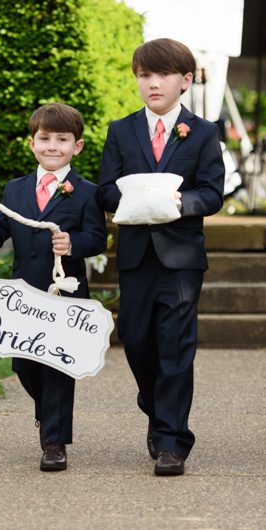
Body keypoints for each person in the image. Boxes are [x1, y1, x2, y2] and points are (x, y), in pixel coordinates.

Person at [97, 38, 224, 476]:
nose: (153, 83)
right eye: (144, 75)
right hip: (135, 255)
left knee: (175, 347)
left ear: (185, 81)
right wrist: (134, 196)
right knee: (135, 340)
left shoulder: (204, 132)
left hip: (182, 258)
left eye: (163, 75)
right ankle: (153, 402)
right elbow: (106, 188)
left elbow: (212, 193)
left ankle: (172, 439)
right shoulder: (121, 130)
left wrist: (175, 202)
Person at [0, 102, 107, 472]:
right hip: (23, 295)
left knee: (58, 366)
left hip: (64, 294)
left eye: (62, 140)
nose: (52, 146)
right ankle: (48, 416)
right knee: (24, 365)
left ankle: (54, 441)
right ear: (32, 143)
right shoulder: (14, 190)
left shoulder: (86, 191)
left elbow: (97, 238)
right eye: (45, 138)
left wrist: (72, 243)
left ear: (76, 146)